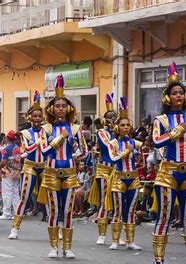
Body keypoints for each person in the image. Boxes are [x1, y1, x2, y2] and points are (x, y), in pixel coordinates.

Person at [38, 74, 88, 259]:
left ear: (68, 108)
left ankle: (67, 247)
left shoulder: (75, 129)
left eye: (63, 106)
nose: (61, 108)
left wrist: (73, 157)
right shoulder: (46, 129)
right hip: (51, 173)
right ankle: (53, 247)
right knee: (54, 211)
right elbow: (44, 151)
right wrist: (61, 138)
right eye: (57, 106)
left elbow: (85, 151)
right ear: (52, 108)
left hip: (69, 173)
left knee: (67, 211)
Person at [151, 62, 186, 264]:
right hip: (167, 173)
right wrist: (176, 132)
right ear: (168, 97)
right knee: (165, 217)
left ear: (185, 97)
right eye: (174, 92)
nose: (178, 95)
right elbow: (157, 141)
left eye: (181, 92)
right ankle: (159, 259)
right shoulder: (161, 120)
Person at [105, 97, 143, 251]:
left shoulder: (136, 143)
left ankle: (130, 241)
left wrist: (137, 157)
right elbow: (113, 159)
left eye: (128, 125)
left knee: (131, 210)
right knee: (118, 210)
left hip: (133, 178)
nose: (126, 127)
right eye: (122, 125)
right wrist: (125, 153)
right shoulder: (113, 143)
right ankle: (115, 240)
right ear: (117, 127)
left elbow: (142, 161)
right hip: (119, 179)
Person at [8, 90, 46, 239]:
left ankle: (55, 227)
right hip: (30, 166)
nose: (37, 118)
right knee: (24, 197)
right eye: (34, 116)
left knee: (49, 197)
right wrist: (38, 142)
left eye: (39, 116)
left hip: (44, 166)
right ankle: (15, 228)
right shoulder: (25, 133)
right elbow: (27, 149)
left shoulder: (47, 131)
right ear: (30, 117)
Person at [88, 93, 118, 245]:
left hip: (118, 170)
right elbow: (109, 146)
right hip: (104, 170)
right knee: (104, 201)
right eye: (110, 117)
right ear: (105, 119)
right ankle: (102, 234)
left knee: (120, 203)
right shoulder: (102, 132)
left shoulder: (121, 132)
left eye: (115, 116)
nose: (112, 119)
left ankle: (121, 236)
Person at [0, 130, 21, 220]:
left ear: (7, 138)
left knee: (7, 193)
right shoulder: (17, 148)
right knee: (15, 193)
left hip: (7, 172)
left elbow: (4, 161)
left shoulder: (6, 149)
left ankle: (6, 214)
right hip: (17, 172)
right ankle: (17, 213)